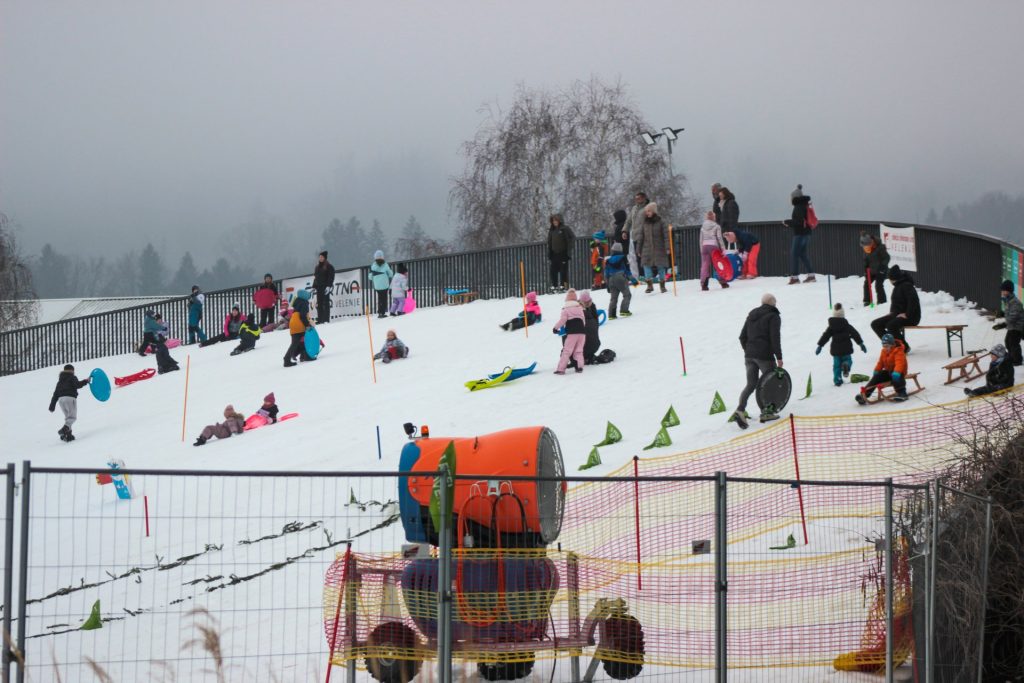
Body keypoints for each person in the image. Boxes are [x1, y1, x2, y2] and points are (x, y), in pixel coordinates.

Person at [732, 293, 783, 429]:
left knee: (751, 384)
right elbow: (775, 338)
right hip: (764, 356)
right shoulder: (773, 316)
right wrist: (779, 357)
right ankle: (767, 412)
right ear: (773, 304)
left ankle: (740, 410)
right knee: (770, 383)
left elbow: (742, 336)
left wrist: (748, 350)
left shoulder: (751, 315)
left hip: (749, 355)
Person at [870, 265, 921, 352]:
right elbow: (896, 303)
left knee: (891, 325)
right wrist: (891, 313)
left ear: (894, 278)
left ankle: (903, 347)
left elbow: (913, 302)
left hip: (911, 317)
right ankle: (892, 344)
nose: (889, 281)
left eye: (890, 278)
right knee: (875, 324)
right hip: (897, 314)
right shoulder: (897, 287)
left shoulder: (907, 286)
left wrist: (907, 314)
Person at [816, 303, 868, 386]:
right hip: (846, 349)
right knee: (848, 360)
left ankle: (838, 380)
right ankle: (846, 364)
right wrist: (861, 344)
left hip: (836, 350)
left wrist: (820, 345)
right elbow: (855, 334)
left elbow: (825, 336)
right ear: (843, 315)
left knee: (836, 366)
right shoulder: (846, 325)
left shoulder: (831, 327)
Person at [856, 333, 909, 404]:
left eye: (887, 346)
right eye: (884, 346)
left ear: (892, 345)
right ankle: (865, 394)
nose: (885, 348)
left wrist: (897, 372)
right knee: (878, 376)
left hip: (899, 372)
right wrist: (877, 370)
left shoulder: (898, 351)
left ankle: (902, 393)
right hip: (889, 371)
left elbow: (900, 363)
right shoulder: (883, 351)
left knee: (897, 377)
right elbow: (880, 362)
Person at [48, 364, 90, 442]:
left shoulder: (60, 381)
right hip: (70, 398)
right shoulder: (72, 377)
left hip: (61, 400)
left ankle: (68, 435)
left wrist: (52, 406)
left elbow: (55, 394)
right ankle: (64, 429)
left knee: (68, 417)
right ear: (72, 370)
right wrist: (86, 381)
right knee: (72, 417)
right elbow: (77, 385)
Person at [635, 202, 670, 294]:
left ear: (654, 211)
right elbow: (640, 236)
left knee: (661, 266)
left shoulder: (661, 222)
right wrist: (638, 249)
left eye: (649, 211)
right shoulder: (644, 223)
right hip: (647, 248)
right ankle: (649, 285)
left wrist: (667, 247)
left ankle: (662, 285)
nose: (647, 213)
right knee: (646, 266)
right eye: (646, 211)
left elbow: (666, 235)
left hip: (659, 247)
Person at [783, 185, 815, 284]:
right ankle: (811, 275)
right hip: (807, 233)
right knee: (802, 254)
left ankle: (795, 277)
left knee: (794, 254)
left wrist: (787, 222)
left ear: (794, 197)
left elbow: (798, 222)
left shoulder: (798, 207)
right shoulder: (805, 205)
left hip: (800, 234)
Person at [552, 289, 585, 374]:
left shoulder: (566, 309)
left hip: (572, 332)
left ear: (567, 299)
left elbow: (563, 320)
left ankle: (561, 369)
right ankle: (579, 367)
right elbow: (583, 320)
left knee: (567, 351)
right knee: (579, 350)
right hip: (582, 332)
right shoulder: (580, 308)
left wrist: (556, 328)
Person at [993, 280, 1023, 366]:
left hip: (1017, 327)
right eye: (1001, 290)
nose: (1002, 292)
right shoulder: (1008, 300)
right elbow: (1009, 313)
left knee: (1013, 343)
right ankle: (1013, 357)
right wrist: (1002, 313)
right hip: (1012, 326)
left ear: (1008, 291)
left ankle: (1017, 360)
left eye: (1003, 290)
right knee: (1008, 342)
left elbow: (1013, 316)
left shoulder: (1015, 302)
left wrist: (1003, 323)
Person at [284, 290, 314, 367]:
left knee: (295, 343)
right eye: (308, 295)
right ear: (304, 296)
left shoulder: (297, 303)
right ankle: (306, 356)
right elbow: (303, 315)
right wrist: (307, 325)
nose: (309, 297)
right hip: (299, 324)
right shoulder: (304, 303)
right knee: (307, 339)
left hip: (293, 323)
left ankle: (287, 359)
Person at [699, 210, 728, 291]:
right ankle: (723, 283)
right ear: (713, 217)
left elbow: (701, 240)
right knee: (718, 264)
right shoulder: (716, 226)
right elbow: (719, 238)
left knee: (704, 265)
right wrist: (723, 249)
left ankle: (704, 284)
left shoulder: (702, 227)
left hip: (704, 246)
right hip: (713, 246)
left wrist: (701, 250)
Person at [547, 214, 575, 292]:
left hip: (563, 253)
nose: (555, 222)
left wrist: (569, 248)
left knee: (563, 271)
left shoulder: (565, 229)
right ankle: (554, 286)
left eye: (556, 220)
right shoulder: (551, 230)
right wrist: (549, 252)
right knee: (553, 271)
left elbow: (572, 237)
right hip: (554, 254)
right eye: (553, 221)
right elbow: (549, 241)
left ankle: (564, 286)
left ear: (559, 220)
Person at [860, 233, 890, 305]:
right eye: (865, 246)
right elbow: (865, 261)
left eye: (868, 245)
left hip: (881, 270)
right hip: (871, 271)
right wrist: (866, 271)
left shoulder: (880, 247)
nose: (866, 247)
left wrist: (882, 266)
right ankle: (867, 300)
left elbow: (887, 258)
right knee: (866, 284)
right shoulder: (866, 249)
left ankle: (881, 301)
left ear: (872, 242)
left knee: (878, 284)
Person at [604, 242, 632, 319]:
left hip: (611, 279)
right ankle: (624, 310)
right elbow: (627, 270)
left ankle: (611, 315)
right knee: (627, 294)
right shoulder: (623, 258)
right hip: (620, 278)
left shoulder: (608, 260)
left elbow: (606, 273)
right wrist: (633, 280)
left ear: (612, 250)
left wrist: (607, 284)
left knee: (613, 298)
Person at [575, 289, 601, 366]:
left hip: (580, 349)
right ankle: (588, 356)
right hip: (595, 346)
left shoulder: (575, 310)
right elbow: (596, 324)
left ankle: (576, 358)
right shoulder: (593, 308)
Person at [313, 251, 336, 324]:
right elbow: (315, 278)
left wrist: (329, 286)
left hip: (325, 287)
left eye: (322, 257)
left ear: (325, 258)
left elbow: (331, 277)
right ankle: (320, 319)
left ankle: (326, 319)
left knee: (325, 303)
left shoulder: (329, 266)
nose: (320, 258)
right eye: (319, 257)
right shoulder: (317, 267)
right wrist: (314, 286)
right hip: (319, 288)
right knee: (319, 304)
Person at [369, 250, 394, 319]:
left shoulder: (373, 266)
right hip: (384, 285)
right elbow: (391, 274)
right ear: (382, 257)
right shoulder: (385, 265)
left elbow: (370, 277)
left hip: (377, 286)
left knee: (380, 298)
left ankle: (380, 312)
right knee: (384, 298)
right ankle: (382, 312)